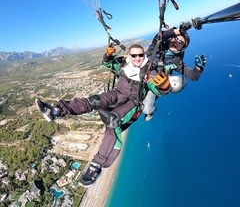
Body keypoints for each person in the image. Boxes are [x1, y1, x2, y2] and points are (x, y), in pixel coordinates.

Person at [35, 44, 172, 187]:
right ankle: (57, 110)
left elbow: (158, 91)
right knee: (94, 100)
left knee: (113, 120)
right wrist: (108, 54)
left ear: (144, 55)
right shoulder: (124, 66)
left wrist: (164, 86)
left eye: (140, 55)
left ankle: (97, 164)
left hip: (132, 102)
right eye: (134, 55)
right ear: (129, 57)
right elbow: (107, 63)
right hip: (117, 94)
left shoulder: (150, 73)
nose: (137, 58)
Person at [143, 24, 206, 121]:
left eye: (180, 42)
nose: (176, 41)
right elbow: (159, 36)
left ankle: (152, 110)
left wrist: (198, 67)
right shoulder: (156, 48)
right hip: (141, 75)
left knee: (146, 109)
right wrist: (179, 30)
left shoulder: (176, 62)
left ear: (182, 48)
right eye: (175, 38)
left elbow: (193, 76)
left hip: (155, 85)